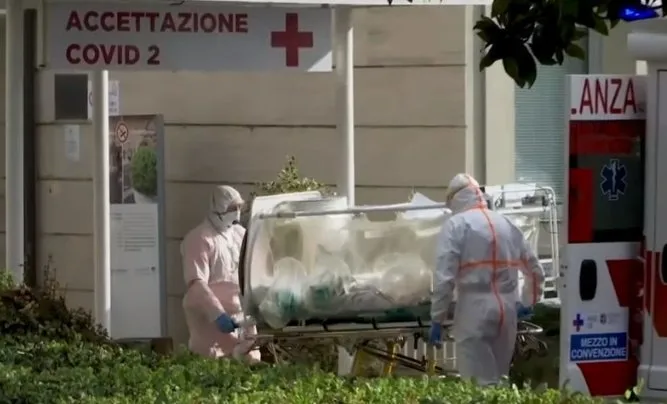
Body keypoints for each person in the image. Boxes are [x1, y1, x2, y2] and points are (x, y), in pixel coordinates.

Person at [429, 174, 545, 385]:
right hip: (507, 311)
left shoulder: (456, 225)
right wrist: (529, 301)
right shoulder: (506, 223)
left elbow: (444, 279)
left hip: (474, 311)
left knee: (478, 384)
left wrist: (437, 318)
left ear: (454, 199)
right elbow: (535, 270)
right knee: (501, 379)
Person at [181, 185, 261, 362]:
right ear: (218, 208)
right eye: (232, 208)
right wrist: (217, 314)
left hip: (240, 315)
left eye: (239, 207)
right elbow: (196, 283)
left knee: (249, 362)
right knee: (213, 364)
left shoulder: (240, 234)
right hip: (209, 319)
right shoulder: (199, 238)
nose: (236, 213)